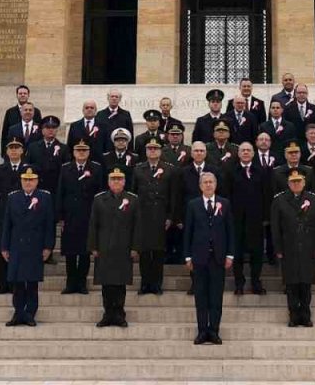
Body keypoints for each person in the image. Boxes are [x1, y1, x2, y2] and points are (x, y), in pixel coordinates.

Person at [184, 172, 233, 345]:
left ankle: (214, 331)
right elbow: (188, 232)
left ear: (216, 184)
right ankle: (202, 330)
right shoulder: (193, 205)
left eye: (211, 182)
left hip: (218, 258)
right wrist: (188, 256)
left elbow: (230, 231)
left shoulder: (224, 204)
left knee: (216, 297)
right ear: (200, 186)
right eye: (205, 182)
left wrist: (230, 254)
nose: (208, 185)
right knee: (201, 297)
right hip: (199, 258)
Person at [0, 166, 53, 327]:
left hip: (35, 246)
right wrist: (4, 247)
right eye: (25, 180)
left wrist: (48, 247)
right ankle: (18, 313)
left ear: (36, 181)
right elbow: (7, 224)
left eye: (31, 180)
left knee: (31, 282)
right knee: (17, 283)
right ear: (21, 181)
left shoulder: (44, 198)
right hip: (17, 245)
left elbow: (49, 224)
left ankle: (30, 313)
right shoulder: (13, 198)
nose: (28, 183)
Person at [270, 169, 315, 327]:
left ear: (304, 182)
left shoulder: (314, 200)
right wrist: (278, 248)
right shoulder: (279, 200)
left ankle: (305, 315)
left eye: (299, 181)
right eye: (293, 182)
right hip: (289, 247)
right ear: (288, 183)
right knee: (291, 284)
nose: (296, 184)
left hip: (308, 247)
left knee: (306, 284)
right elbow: (275, 227)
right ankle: (293, 315)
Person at [89, 168, 139, 327]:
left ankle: (119, 313)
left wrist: (135, 247)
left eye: (119, 179)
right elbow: (93, 225)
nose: (116, 182)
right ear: (108, 182)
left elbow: (137, 226)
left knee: (120, 283)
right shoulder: (99, 199)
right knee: (106, 283)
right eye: (113, 179)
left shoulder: (132, 199)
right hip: (104, 247)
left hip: (123, 247)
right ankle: (108, 313)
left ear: (124, 182)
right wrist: (93, 246)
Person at [132, 139, 178, 295]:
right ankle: (145, 284)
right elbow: (133, 194)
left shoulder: (169, 169)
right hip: (143, 216)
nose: (153, 151)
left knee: (158, 252)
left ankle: (157, 284)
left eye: (156, 148)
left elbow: (173, 195)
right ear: (145, 151)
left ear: (161, 151)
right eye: (150, 148)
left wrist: (170, 217)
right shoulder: (138, 169)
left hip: (160, 216)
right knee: (144, 252)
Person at [58, 140, 104, 294]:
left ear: (89, 152)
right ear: (73, 152)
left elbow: (100, 193)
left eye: (84, 150)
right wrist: (61, 216)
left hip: (88, 215)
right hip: (70, 216)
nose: (81, 153)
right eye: (78, 150)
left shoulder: (96, 169)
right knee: (70, 251)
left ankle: (82, 282)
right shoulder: (65, 169)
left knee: (85, 251)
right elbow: (60, 193)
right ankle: (71, 283)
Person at [228, 142, 269, 295]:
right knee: (237, 252)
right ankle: (239, 283)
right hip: (236, 219)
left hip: (256, 219)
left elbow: (266, 195)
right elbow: (227, 195)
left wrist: (265, 216)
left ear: (253, 153)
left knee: (257, 253)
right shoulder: (231, 171)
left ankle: (256, 282)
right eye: (243, 150)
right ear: (238, 153)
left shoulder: (261, 171)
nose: (245, 152)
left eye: (248, 150)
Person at [0, 139, 28, 293]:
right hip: (3, 214)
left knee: (17, 249)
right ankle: (2, 284)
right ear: (6, 152)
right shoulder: (0, 169)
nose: (14, 151)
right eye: (11, 148)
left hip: (22, 214)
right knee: (2, 249)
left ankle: (15, 283)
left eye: (17, 148)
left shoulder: (28, 169)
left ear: (22, 151)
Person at [25, 116, 67, 200]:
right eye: (47, 127)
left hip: (55, 190)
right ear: (42, 130)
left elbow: (65, 171)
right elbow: (27, 167)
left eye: (54, 127)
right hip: (37, 188)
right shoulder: (33, 147)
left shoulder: (63, 148)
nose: (51, 130)